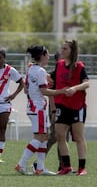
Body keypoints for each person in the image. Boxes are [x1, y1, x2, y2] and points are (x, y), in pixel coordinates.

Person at [15, 45, 66, 176]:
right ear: (42, 55)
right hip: (38, 108)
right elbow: (44, 90)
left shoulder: (31, 69)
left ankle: (40, 168)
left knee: (44, 138)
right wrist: (60, 91)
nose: (49, 56)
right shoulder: (40, 71)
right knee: (40, 137)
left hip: (32, 106)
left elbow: (26, 89)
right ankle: (21, 164)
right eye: (47, 54)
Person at [51, 39, 90, 176]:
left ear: (72, 51)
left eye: (65, 49)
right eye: (61, 48)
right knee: (60, 136)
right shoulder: (59, 64)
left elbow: (86, 83)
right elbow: (52, 80)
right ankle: (66, 166)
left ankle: (82, 168)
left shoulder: (79, 66)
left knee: (78, 138)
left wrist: (74, 88)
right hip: (61, 104)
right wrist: (35, 69)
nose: (62, 51)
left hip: (77, 106)